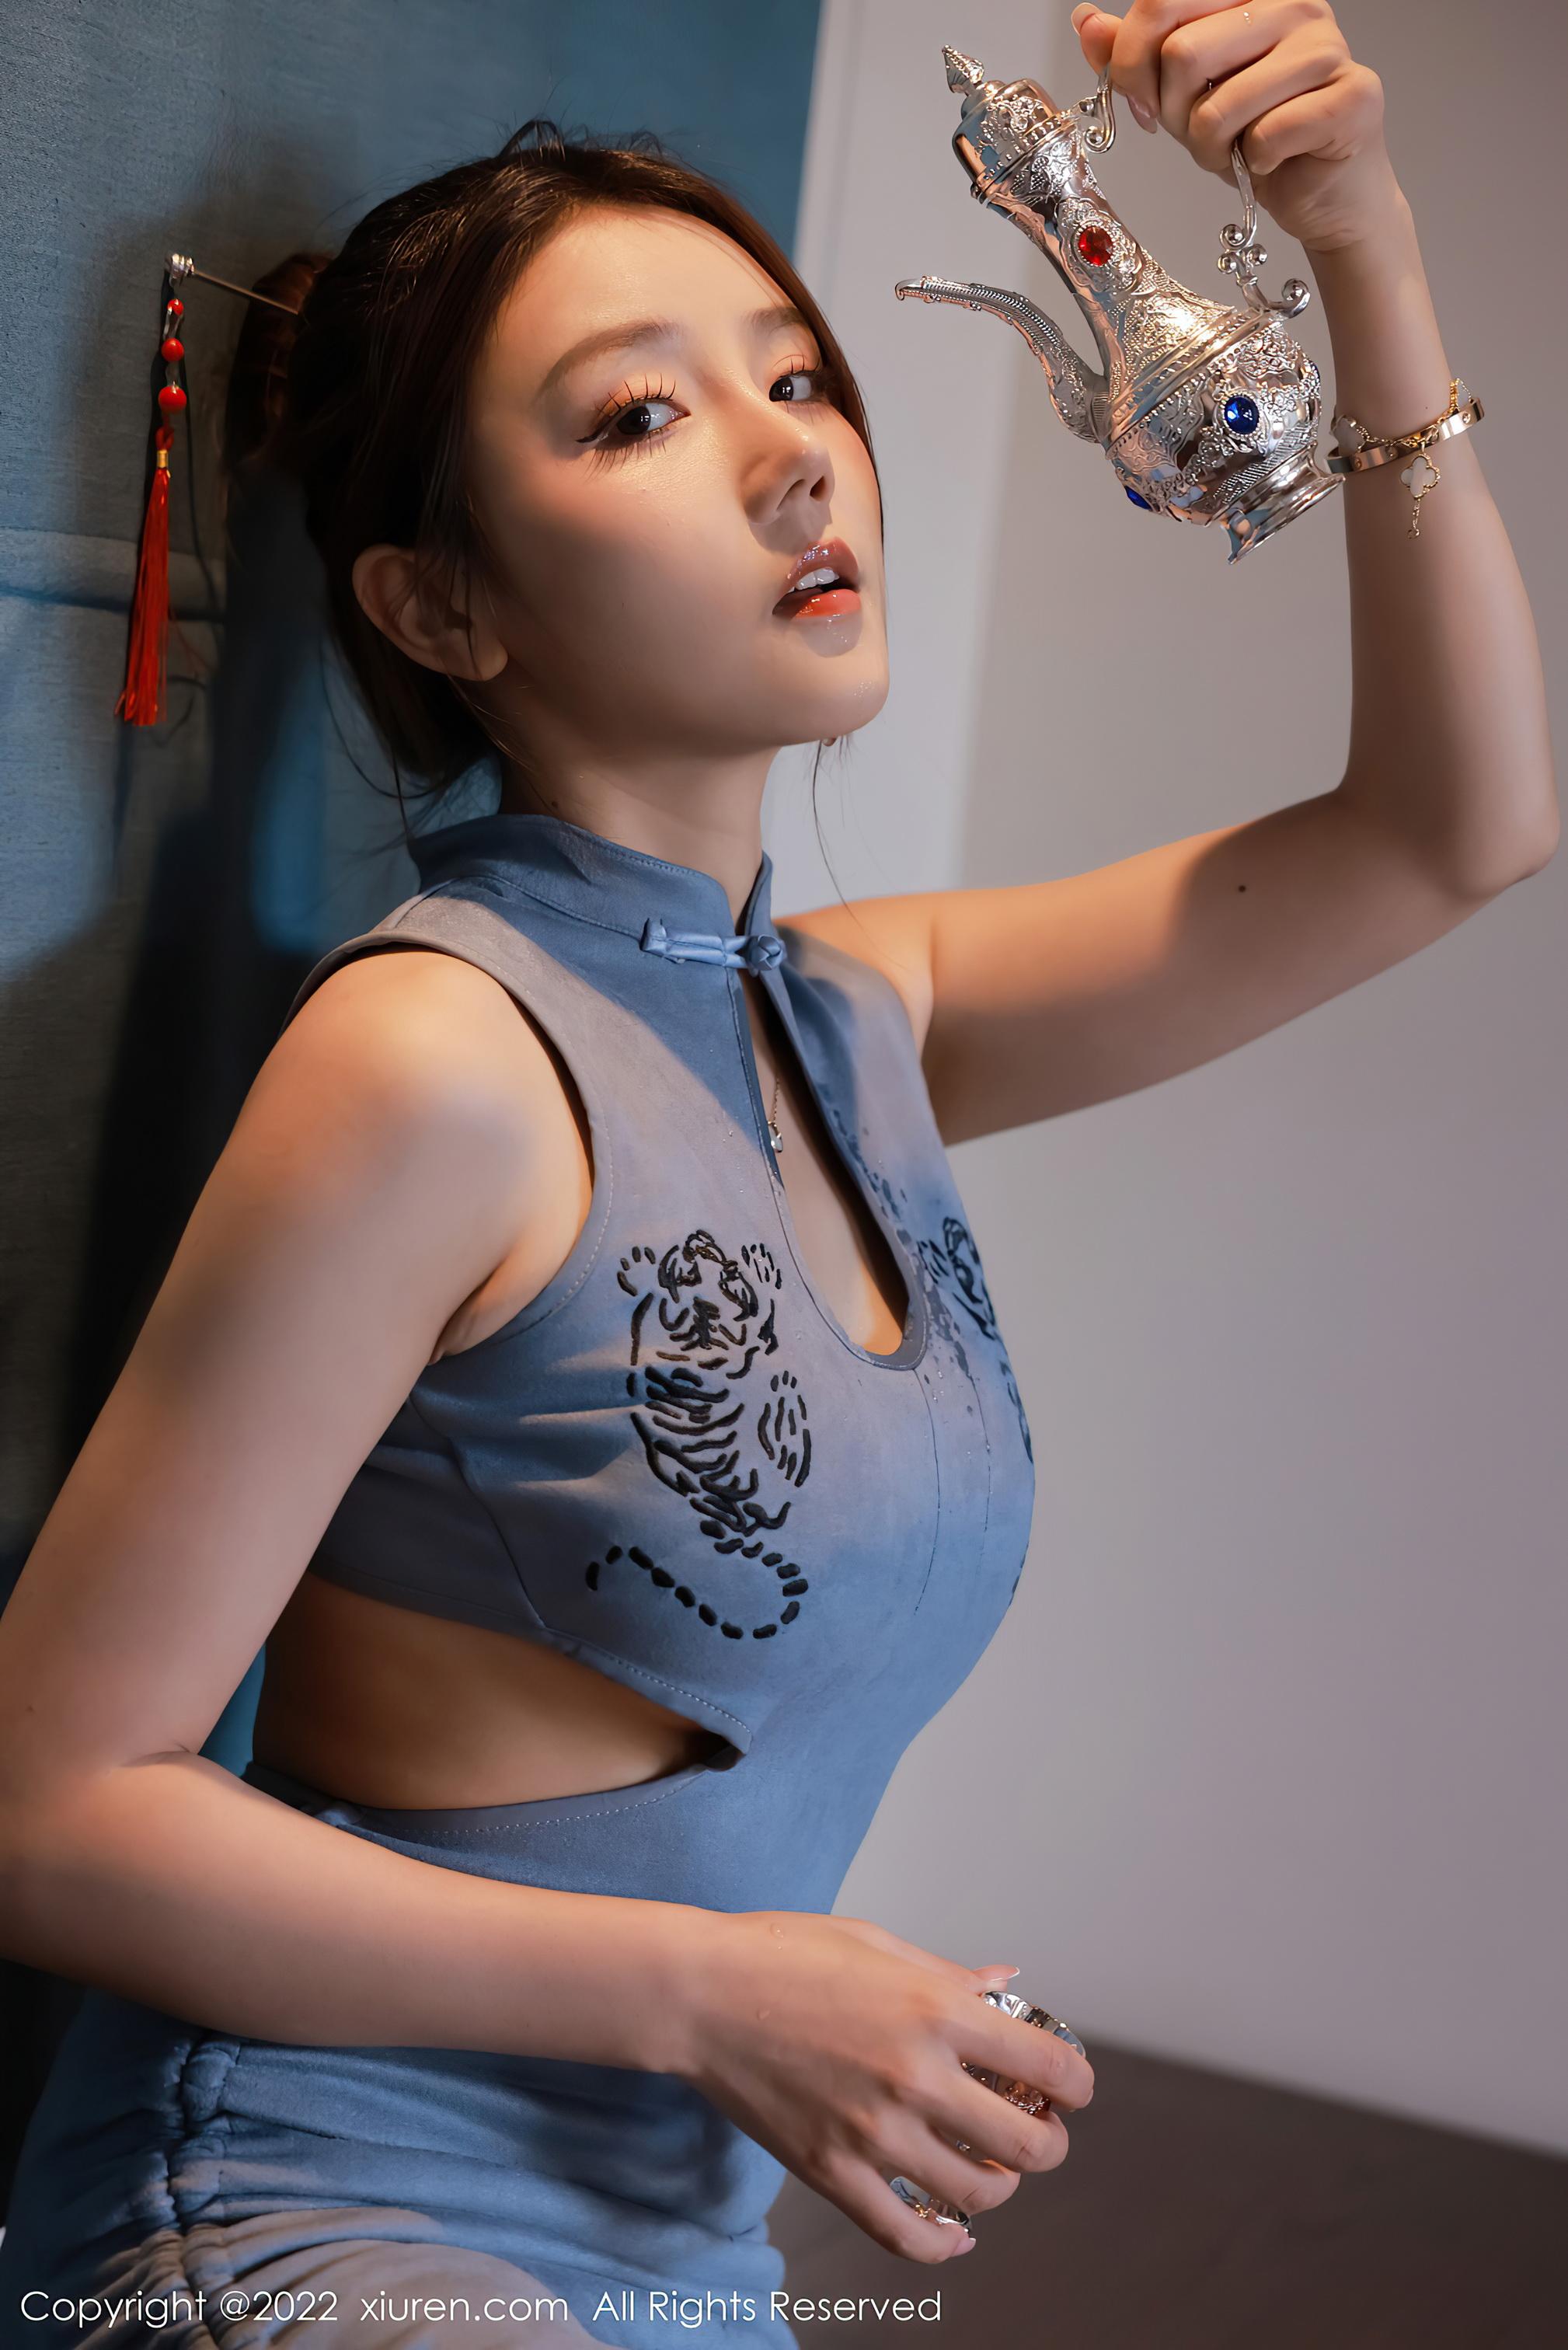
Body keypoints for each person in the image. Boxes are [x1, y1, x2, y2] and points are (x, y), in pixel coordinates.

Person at [0, 1, 1556, 2338]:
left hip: (684, 2260)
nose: (790, 455)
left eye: (797, 376)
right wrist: (714, 1994)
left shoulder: (856, 1012)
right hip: (308, 2212)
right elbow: (49, 1808)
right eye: (637, 413)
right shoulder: (437, 1058)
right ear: (440, 606)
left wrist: (1366, 247)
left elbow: (1454, 829)